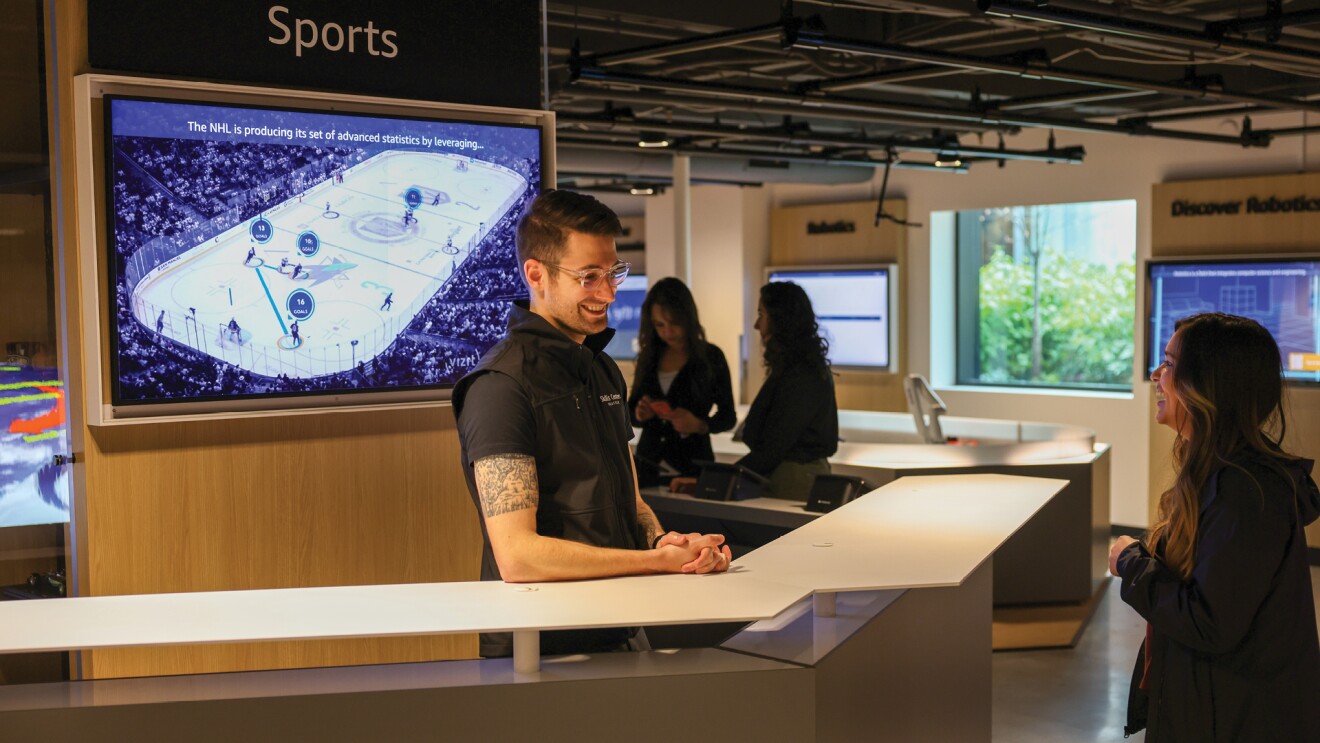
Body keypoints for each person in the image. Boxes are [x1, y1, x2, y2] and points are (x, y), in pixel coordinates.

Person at [452, 190, 731, 659]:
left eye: (613, 273)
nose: (609, 293)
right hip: (541, 647)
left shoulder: (600, 368)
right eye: (589, 277)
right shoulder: (501, 385)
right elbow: (518, 556)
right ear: (536, 274)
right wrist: (654, 562)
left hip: (617, 625)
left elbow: (631, 502)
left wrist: (669, 543)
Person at [1110, 312, 1320, 741]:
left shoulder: (1247, 492)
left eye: (1169, 364)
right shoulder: (1221, 475)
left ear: (1206, 386)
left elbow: (1209, 621)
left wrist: (1130, 562)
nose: (1155, 375)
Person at [629, 278, 736, 486]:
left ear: (688, 318)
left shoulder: (711, 357)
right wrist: (640, 413)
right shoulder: (649, 357)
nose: (667, 332)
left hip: (692, 468)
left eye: (674, 323)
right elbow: (631, 411)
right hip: (647, 466)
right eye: (659, 325)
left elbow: (727, 416)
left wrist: (699, 425)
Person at [738, 281, 838, 499]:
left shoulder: (801, 373)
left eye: (761, 314)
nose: (756, 325)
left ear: (779, 319)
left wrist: (717, 476)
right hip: (787, 476)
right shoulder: (798, 368)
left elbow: (775, 443)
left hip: (793, 480)